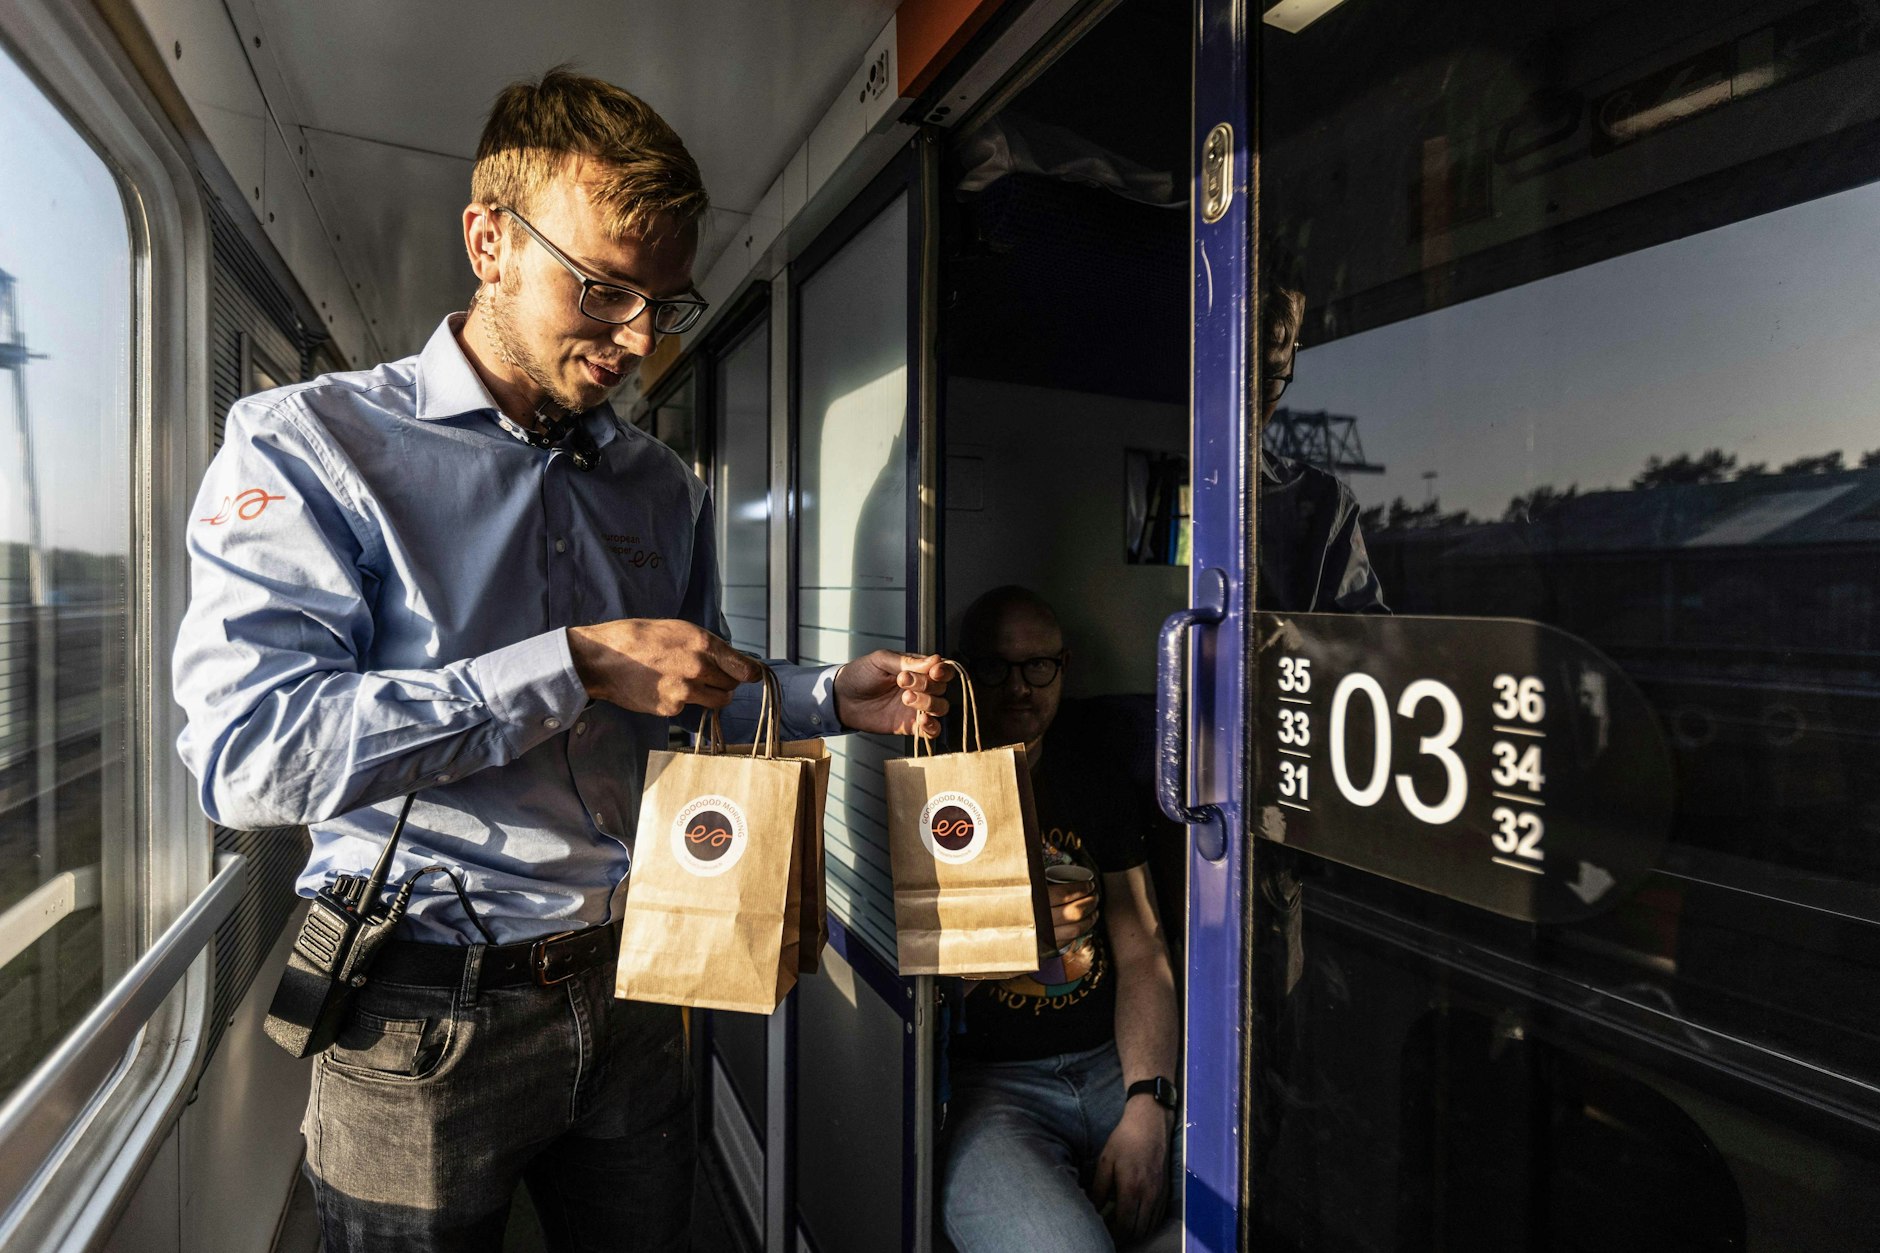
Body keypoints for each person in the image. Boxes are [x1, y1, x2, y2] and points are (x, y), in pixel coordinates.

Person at [172, 68, 949, 1253]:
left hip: (635, 979)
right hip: (418, 1015)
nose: (637, 341)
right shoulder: (312, 444)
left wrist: (822, 694)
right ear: (491, 240)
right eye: (601, 289)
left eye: (663, 304)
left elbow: (683, 688)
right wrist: (573, 662)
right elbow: (248, 756)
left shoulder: (658, 486)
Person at [939, 587, 1179, 1252]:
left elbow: (1142, 946)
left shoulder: (1094, 781)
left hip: (1111, 1059)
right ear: (962, 670)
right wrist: (1012, 930)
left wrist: (1148, 1101)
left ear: (1064, 666)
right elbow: (918, 994)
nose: (1019, 687)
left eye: (1037, 666)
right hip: (990, 1088)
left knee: (1244, 1200)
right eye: (994, 667)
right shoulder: (933, 791)